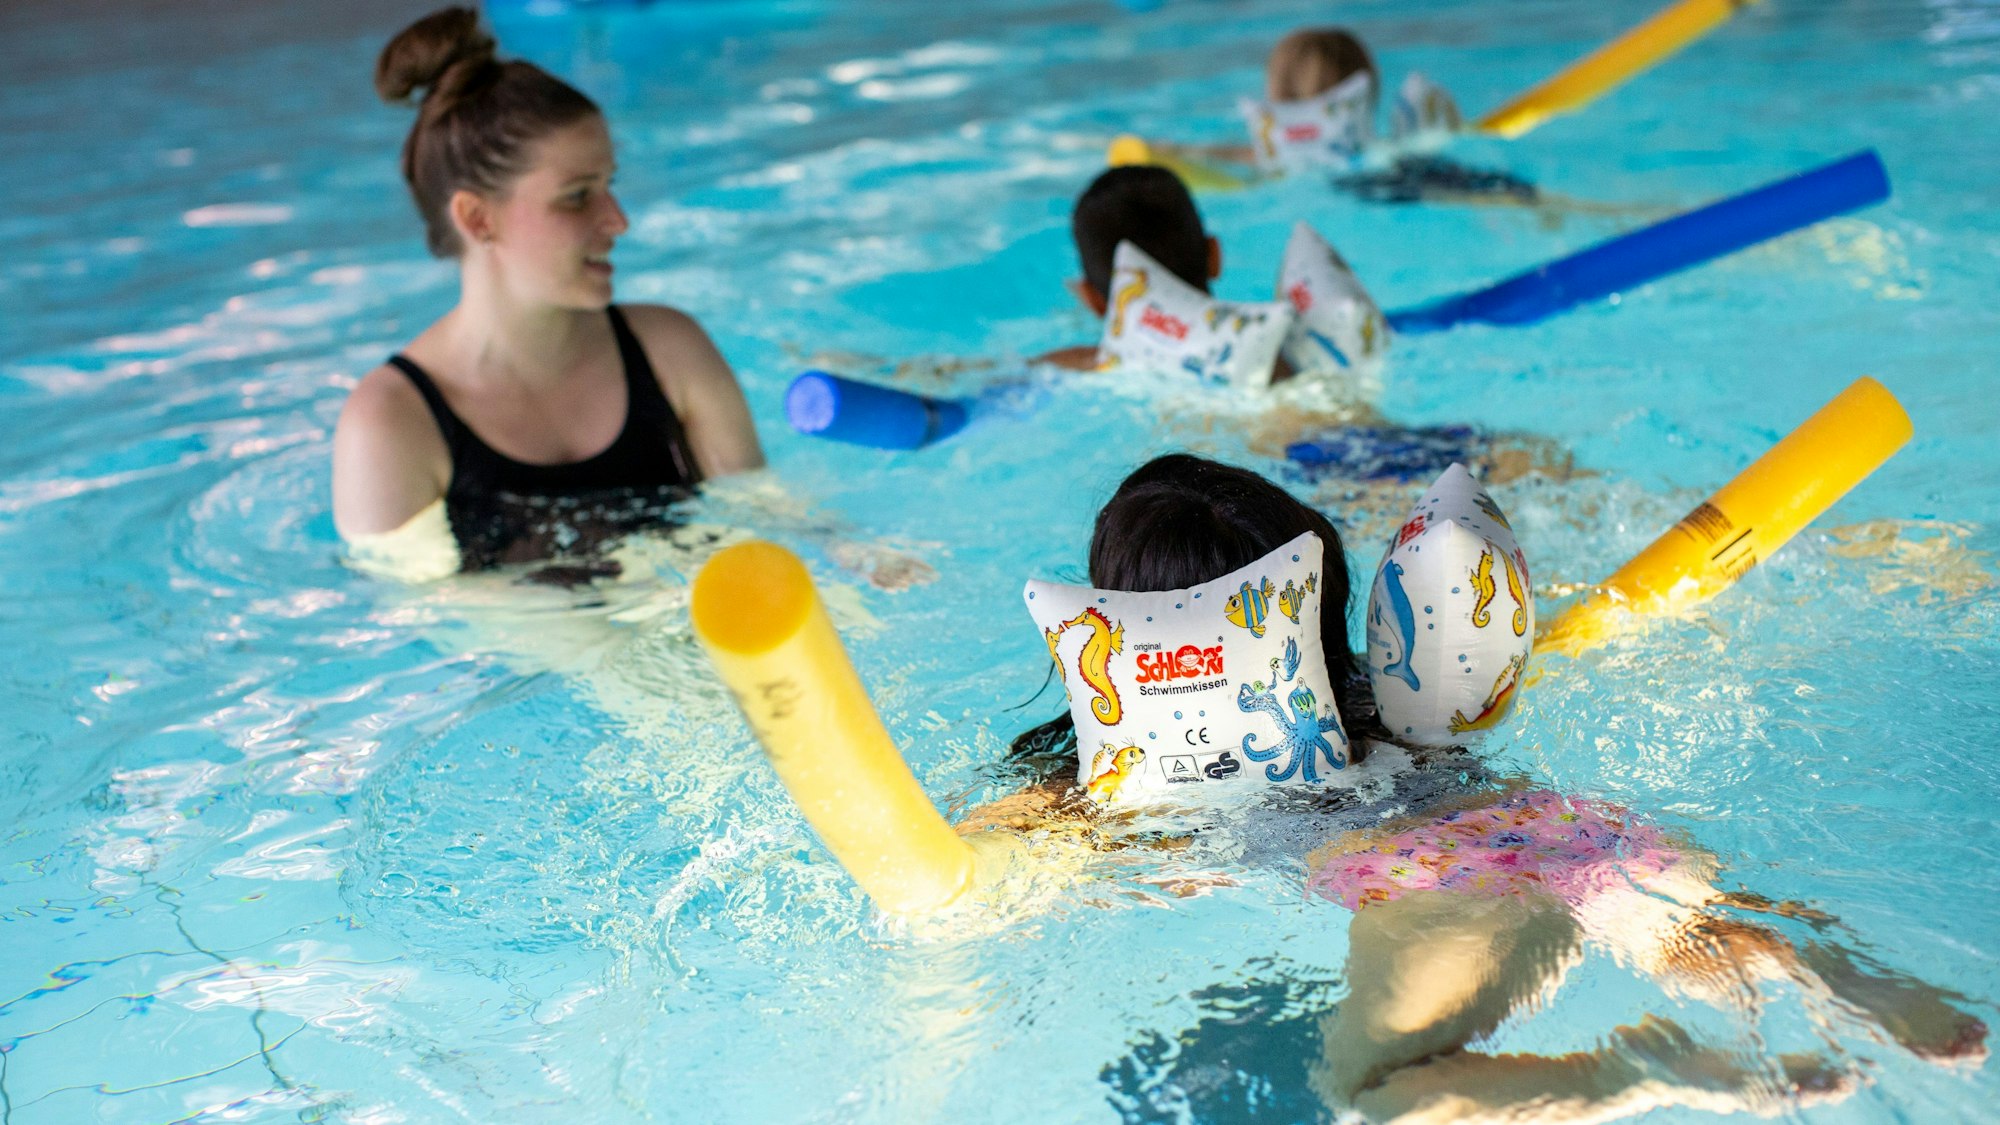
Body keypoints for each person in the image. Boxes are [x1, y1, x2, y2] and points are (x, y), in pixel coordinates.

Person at [994, 453, 1985, 1123]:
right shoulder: (1388, 697)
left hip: (1426, 884)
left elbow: (978, 869)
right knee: (1704, 940)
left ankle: (1636, 1069)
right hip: (1559, 826)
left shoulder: (1094, 775)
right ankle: (1845, 971)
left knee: (1376, 1099)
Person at [332, 7, 763, 573]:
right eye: (577, 196)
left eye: (610, 186)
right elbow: (422, 608)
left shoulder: (670, 349)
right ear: (479, 219)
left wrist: (852, 553)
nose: (618, 220)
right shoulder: (391, 423)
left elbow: (763, 517)